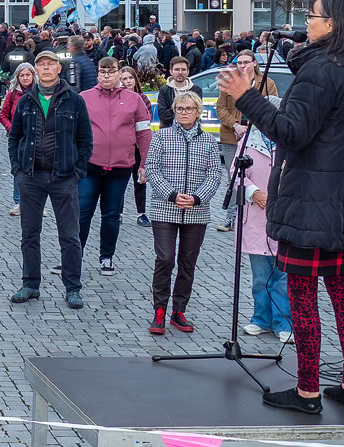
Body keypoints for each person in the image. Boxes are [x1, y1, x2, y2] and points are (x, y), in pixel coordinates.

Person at [218, 0, 344, 414]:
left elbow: (291, 132)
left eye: (311, 16)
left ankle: (307, 389)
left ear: (331, 23)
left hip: (314, 200)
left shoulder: (322, 70)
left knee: (302, 296)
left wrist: (247, 97)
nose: (305, 23)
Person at [7, 49, 92, 309]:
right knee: (29, 234)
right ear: (35, 70)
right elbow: (14, 137)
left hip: (64, 177)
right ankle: (30, 284)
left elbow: (85, 140)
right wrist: (17, 170)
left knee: (70, 236)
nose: (45, 68)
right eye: (41, 64)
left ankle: (72, 287)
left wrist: (77, 171)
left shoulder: (74, 101)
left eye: (50, 64)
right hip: (30, 176)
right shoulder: (25, 100)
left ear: (58, 69)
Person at [143, 92, 223, 335]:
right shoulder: (162, 137)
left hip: (196, 211)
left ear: (198, 112)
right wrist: (171, 194)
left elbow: (215, 174)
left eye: (189, 108)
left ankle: (179, 310)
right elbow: (152, 168)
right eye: (180, 108)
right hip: (165, 208)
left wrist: (197, 197)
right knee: (165, 259)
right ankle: (159, 310)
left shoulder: (209, 141)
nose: (184, 112)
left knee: (187, 262)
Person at [77, 58, 149, 275]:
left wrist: (144, 164)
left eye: (111, 72)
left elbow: (144, 133)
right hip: (90, 166)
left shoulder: (134, 100)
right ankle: (73, 255)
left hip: (120, 167)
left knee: (111, 215)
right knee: (81, 213)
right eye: (103, 71)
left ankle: (106, 257)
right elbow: (74, 131)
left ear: (120, 73)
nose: (107, 76)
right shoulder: (84, 98)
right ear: (98, 74)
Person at [234, 100, 292, 342]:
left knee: (282, 276)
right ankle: (261, 318)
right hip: (256, 218)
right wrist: (253, 192)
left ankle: (283, 323)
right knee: (260, 276)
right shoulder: (247, 142)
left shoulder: (291, 143)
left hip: (285, 218)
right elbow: (236, 175)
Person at [214, 49, 277, 232]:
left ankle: (256, 217)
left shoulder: (266, 83)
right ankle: (231, 217)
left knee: (257, 178)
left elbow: (271, 107)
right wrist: (235, 125)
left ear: (254, 63)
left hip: (257, 139)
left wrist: (252, 126)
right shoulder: (230, 83)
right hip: (232, 137)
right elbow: (221, 109)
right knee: (234, 178)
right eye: (239, 62)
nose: (242, 66)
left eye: (246, 62)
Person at [0, 62, 36, 217]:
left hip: (35, 137)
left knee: (36, 170)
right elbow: (3, 115)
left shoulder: (41, 93)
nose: (25, 78)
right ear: (18, 77)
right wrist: (12, 129)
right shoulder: (13, 93)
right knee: (18, 169)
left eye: (28, 74)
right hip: (18, 139)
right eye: (22, 75)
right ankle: (19, 202)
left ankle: (35, 203)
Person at [120, 66, 155, 229]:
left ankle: (141, 213)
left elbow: (145, 122)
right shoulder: (117, 97)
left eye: (130, 78)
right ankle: (117, 212)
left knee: (139, 180)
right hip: (123, 145)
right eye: (124, 78)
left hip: (137, 145)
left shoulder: (142, 99)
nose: (127, 82)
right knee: (120, 179)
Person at [155, 57, 202, 128]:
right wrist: (186, 112)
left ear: (188, 72)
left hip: (192, 131)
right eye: (177, 69)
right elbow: (163, 115)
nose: (180, 72)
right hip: (169, 130)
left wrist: (174, 112)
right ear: (171, 71)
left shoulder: (196, 90)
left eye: (183, 70)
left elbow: (197, 113)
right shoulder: (164, 90)